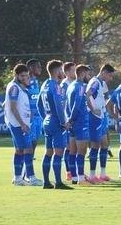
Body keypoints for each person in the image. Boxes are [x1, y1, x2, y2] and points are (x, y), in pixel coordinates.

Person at [4, 63, 42, 186]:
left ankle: (18, 178)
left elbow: (7, 105)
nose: (25, 78)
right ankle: (31, 178)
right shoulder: (14, 88)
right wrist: (22, 123)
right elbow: (13, 108)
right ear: (16, 75)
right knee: (27, 149)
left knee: (20, 150)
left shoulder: (20, 87)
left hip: (20, 124)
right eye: (22, 76)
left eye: (26, 75)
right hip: (18, 125)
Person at [37, 59, 72, 189]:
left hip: (47, 121)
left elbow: (39, 105)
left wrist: (45, 118)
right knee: (58, 152)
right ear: (57, 71)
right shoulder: (55, 86)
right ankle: (58, 182)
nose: (63, 72)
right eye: (61, 70)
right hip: (57, 122)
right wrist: (63, 122)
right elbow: (58, 106)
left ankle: (46, 182)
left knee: (48, 152)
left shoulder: (45, 84)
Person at [86, 63, 115, 182]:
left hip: (101, 117)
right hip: (94, 118)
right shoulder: (95, 82)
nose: (111, 78)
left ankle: (102, 174)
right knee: (95, 146)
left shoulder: (101, 83)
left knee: (105, 144)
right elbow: (87, 94)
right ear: (104, 72)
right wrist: (93, 109)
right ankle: (92, 175)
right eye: (110, 75)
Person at [65, 64, 92, 185]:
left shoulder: (71, 85)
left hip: (72, 123)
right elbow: (76, 105)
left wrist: (69, 120)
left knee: (72, 152)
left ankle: (74, 178)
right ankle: (81, 178)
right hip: (80, 122)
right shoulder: (81, 87)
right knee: (81, 152)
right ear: (82, 73)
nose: (89, 77)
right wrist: (71, 119)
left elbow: (66, 105)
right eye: (88, 74)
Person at [60, 61, 76, 181]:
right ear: (66, 72)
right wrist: (65, 120)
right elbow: (62, 103)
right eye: (73, 70)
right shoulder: (64, 85)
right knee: (69, 147)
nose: (75, 72)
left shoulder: (74, 83)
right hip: (67, 120)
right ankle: (69, 172)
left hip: (73, 119)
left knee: (73, 147)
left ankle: (74, 171)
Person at [26, 59, 43, 159]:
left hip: (38, 116)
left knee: (35, 140)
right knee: (30, 141)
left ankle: (30, 159)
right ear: (31, 68)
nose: (40, 69)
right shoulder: (25, 81)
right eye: (38, 67)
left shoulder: (36, 81)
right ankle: (27, 162)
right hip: (30, 117)